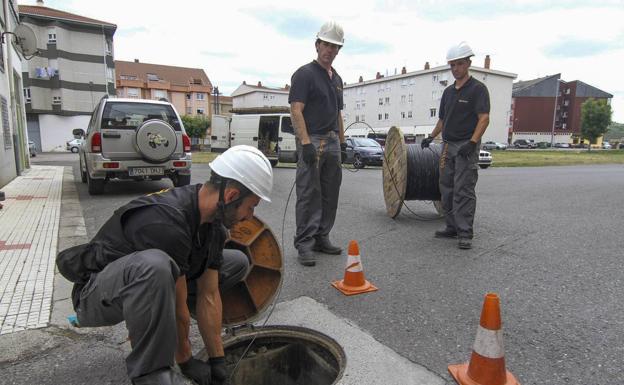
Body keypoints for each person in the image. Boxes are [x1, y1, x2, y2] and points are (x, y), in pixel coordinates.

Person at [56, 145, 273, 385]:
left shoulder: (213, 225)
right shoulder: (168, 221)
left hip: (144, 281)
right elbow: (179, 308)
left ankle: (154, 318)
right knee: (155, 266)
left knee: (236, 262)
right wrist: (186, 359)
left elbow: (209, 295)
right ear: (231, 196)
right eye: (251, 206)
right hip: (94, 295)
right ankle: (151, 374)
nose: (251, 216)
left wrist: (217, 360)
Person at [288, 20, 348, 267]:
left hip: (332, 140)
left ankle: (322, 236)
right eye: (326, 44)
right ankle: (304, 243)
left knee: (330, 193)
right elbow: (295, 109)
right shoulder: (304, 74)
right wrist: (305, 143)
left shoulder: (337, 79)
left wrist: (343, 144)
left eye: (335, 47)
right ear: (317, 45)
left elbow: (337, 114)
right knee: (308, 192)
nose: (330, 50)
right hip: (311, 139)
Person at [421, 42, 490, 250]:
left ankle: (465, 232)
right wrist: (430, 137)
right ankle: (451, 226)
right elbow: (443, 120)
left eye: (459, 64)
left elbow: (484, 118)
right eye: (452, 65)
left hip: (465, 147)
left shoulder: (478, 89)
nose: (455, 69)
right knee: (447, 188)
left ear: (468, 63)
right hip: (447, 145)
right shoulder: (449, 92)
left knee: (464, 189)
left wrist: (472, 142)